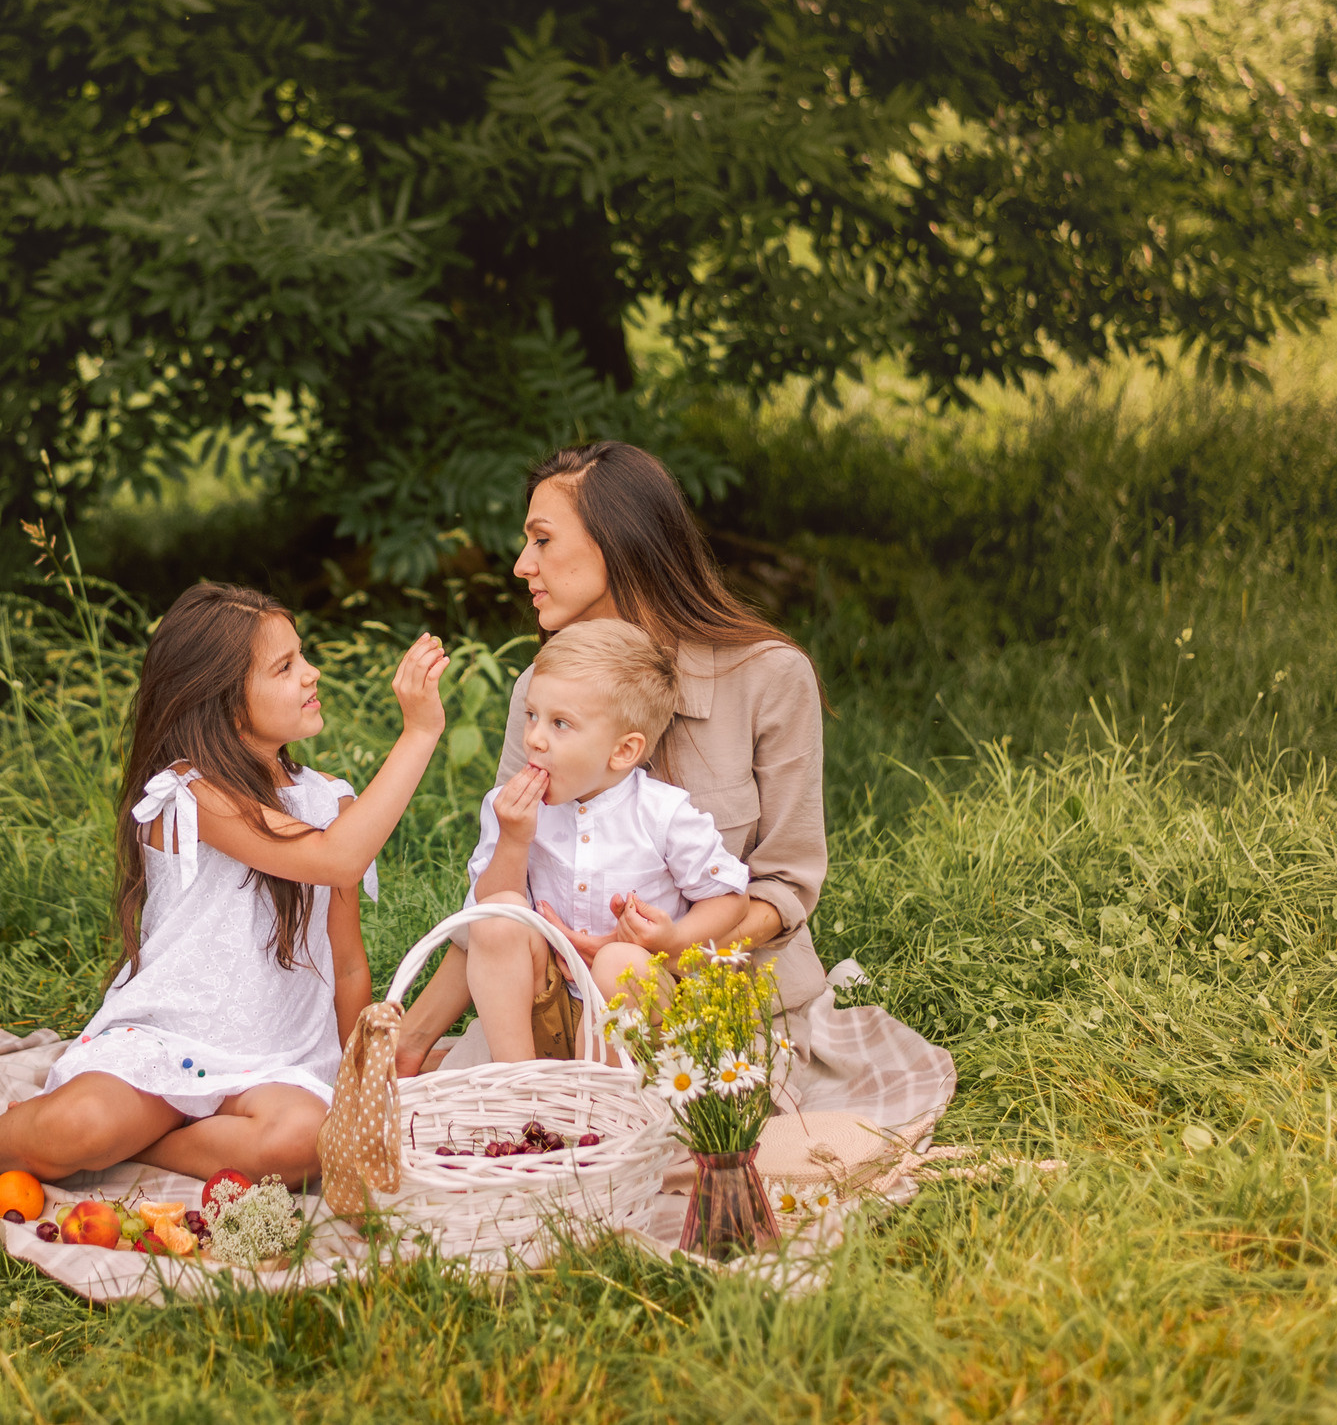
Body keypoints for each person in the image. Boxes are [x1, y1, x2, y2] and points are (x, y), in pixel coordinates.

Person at [394, 443, 955, 1129]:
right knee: (473, 1136)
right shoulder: (539, 692)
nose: (522, 565)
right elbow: (504, 896)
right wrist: (416, 1035)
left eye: (542, 540)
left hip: (722, 1003)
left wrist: (671, 944)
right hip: (566, 1007)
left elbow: (784, 888)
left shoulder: (770, 678)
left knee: (678, 1134)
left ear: (619, 544)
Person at [0, 583, 450, 1186]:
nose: (311, 675)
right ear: (225, 703)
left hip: (278, 1059)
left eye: (302, 656)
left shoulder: (329, 800)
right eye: (286, 667)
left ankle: (142, 1147)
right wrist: (417, 733)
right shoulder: (189, 793)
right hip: (169, 1040)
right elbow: (336, 859)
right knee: (75, 1126)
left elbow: (346, 963)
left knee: (303, 1141)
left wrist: (357, 1069)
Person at [403, 618, 752, 1061]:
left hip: (637, 1020)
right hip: (546, 1003)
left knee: (616, 964)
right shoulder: (510, 808)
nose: (534, 738)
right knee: (501, 917)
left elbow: (731, 899)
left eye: (560, 724)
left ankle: (598, 1101)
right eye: (532, 716)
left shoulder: (664, 814)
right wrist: (513, 838)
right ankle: (520, 1084)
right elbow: (485, 915)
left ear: (623, 751)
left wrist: (669, 938)